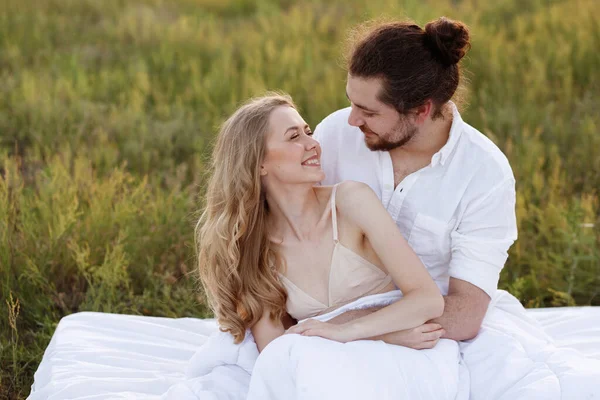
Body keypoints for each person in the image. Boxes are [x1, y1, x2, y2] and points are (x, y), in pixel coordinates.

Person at [313, 16, 600, 400]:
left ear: (420, 110)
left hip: (433, 328)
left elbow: (465, 310)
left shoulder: (484, 172)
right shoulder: (336, 134)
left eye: (368, 110)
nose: (352, 119)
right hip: (332, 313)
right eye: (351, 102)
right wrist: (335, 325)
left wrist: (361, 328)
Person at [196, 93, 462, 399]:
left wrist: (345, 331)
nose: (313, 143)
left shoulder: (351, 201)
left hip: (407, 355)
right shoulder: (253, 249)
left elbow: (427, 299)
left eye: (307, 131)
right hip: (345, 357)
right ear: (259, 164)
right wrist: (384, 335)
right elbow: (277, 352)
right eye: (294, 136)